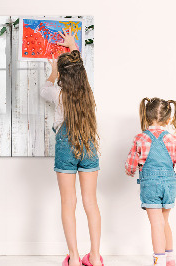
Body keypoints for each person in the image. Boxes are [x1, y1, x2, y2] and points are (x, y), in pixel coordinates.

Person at [40, 28, 103, 266]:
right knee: (91, 202)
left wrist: (53, 70)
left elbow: (43, 89)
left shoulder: (58, 94)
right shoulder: (88, 94)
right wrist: (74, 47)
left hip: (66, 149)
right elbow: (80, 70)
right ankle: (95, 257)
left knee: (69, 203)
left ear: (63, 76)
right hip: (88, 147)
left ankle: (75, 258)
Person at [125, 98, 176, 266]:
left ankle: (159, 261)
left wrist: (130, 171)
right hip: (169, 185)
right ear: (168, 120)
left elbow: (130, 164)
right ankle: (170, 260)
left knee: (156, 224)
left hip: (150, 186)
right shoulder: (173, 139)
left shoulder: (140, 138)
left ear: (146, 117)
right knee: (164, 222)